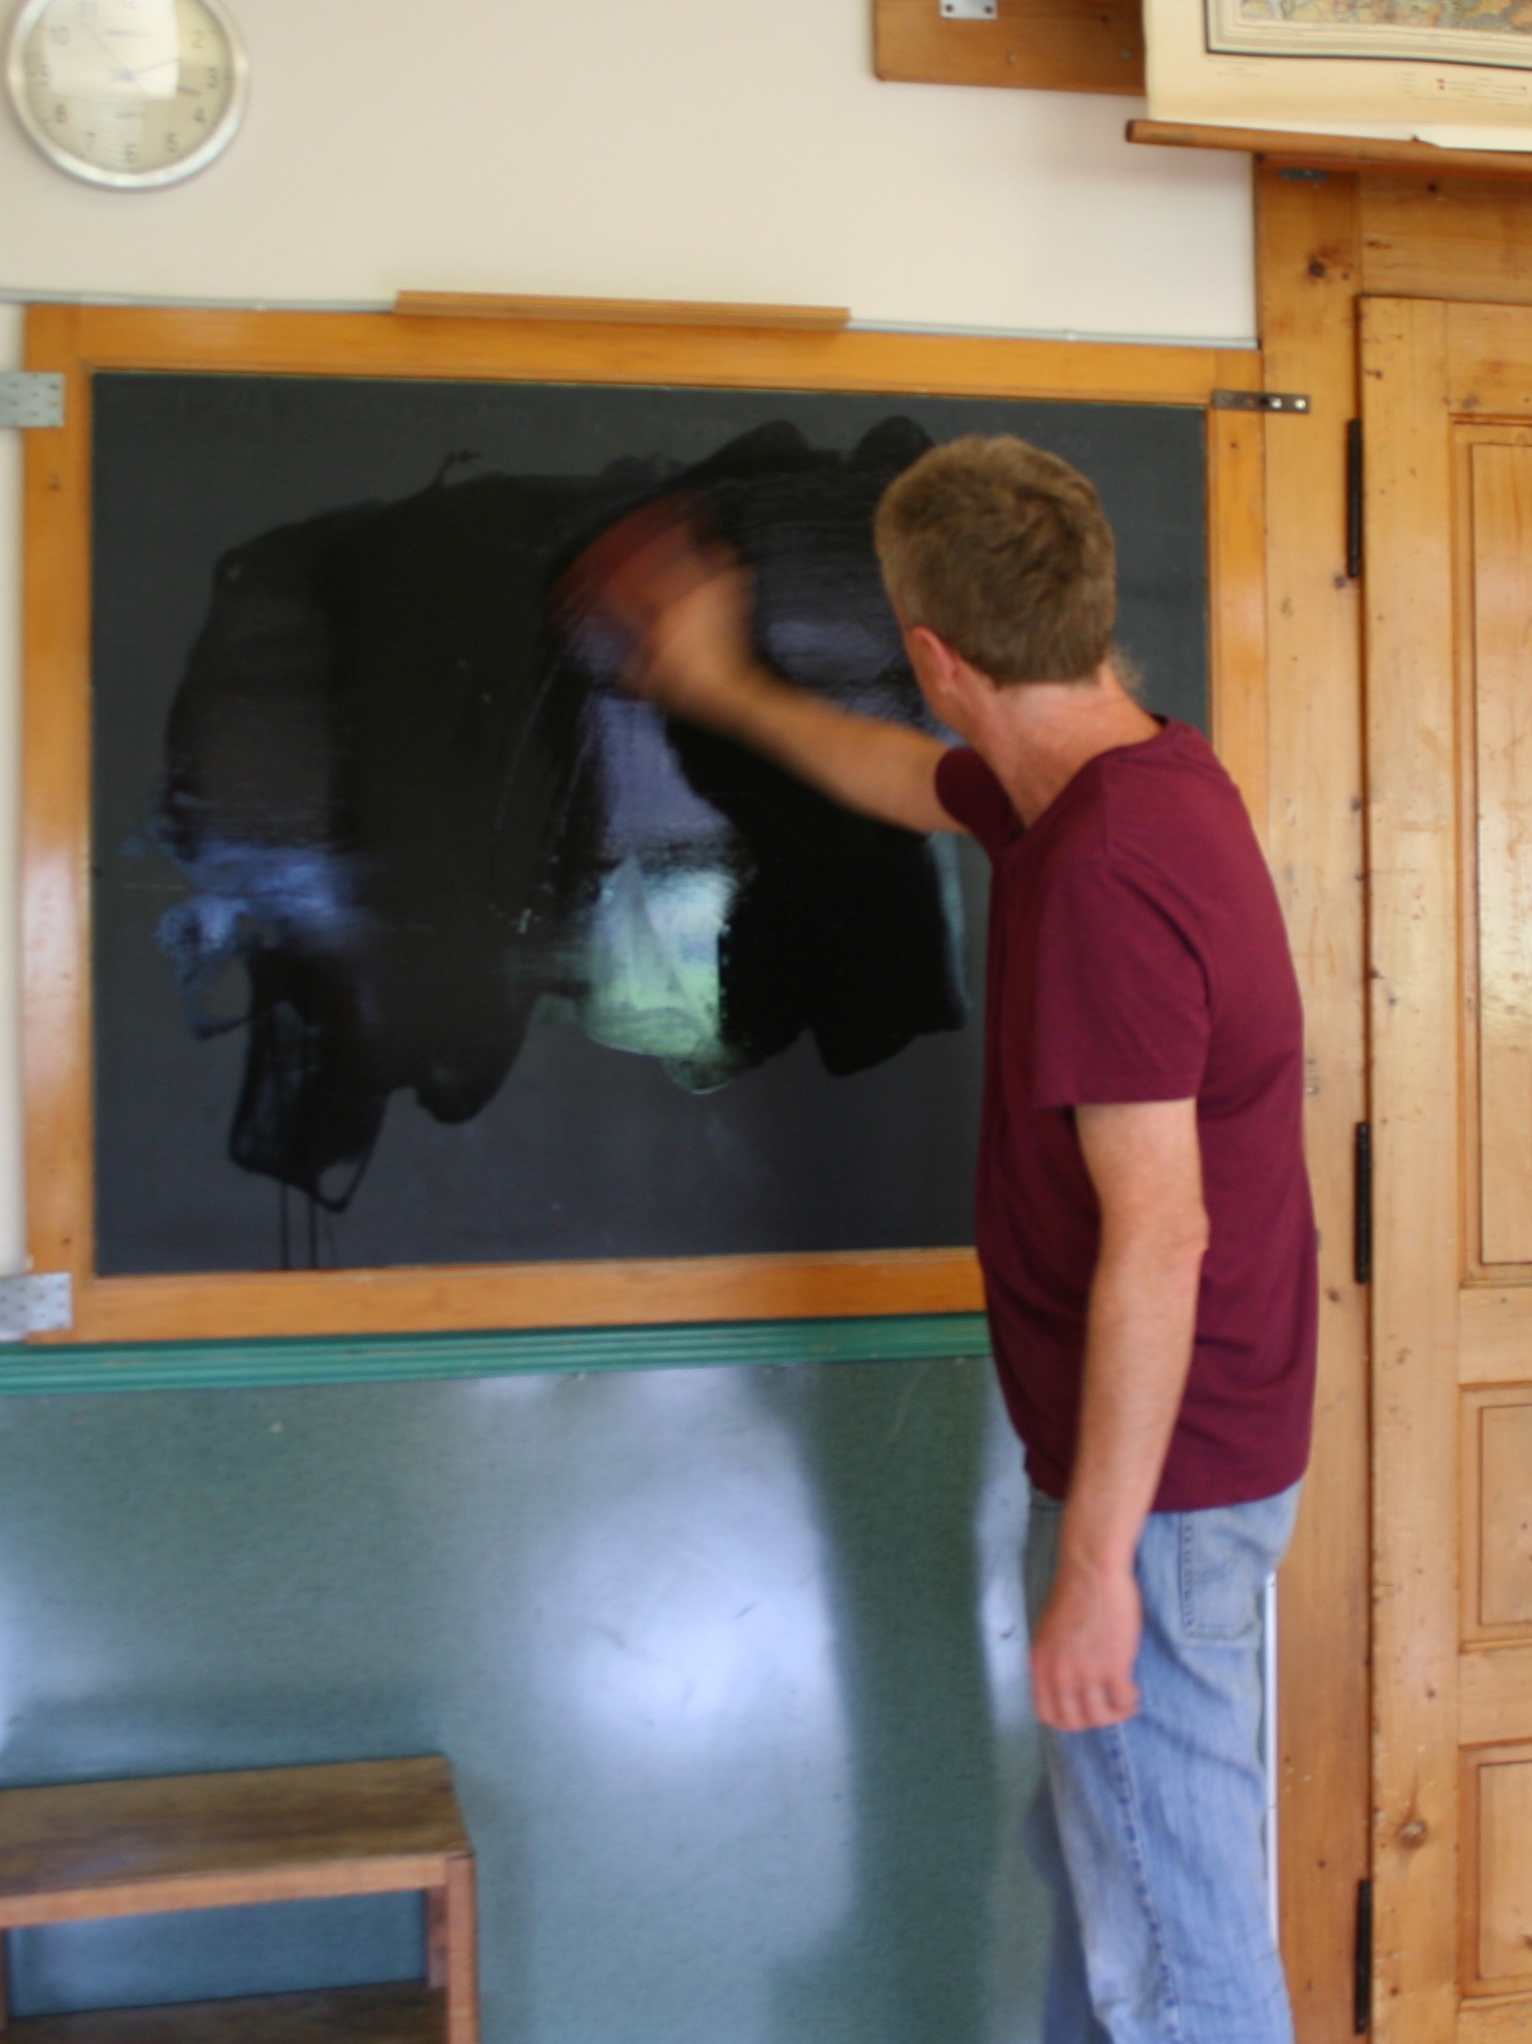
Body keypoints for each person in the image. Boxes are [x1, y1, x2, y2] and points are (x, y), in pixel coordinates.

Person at [596, 433, 1318, 2044]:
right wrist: (721, 687)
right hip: (1185, 1458)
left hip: (1168, 1481)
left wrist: (1093, 1571)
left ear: (934, 653)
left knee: (1182, 1947)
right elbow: (908, 779)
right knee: (1120, 1883)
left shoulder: (1108, 879)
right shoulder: (1118, 781)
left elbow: (1162, 1240)